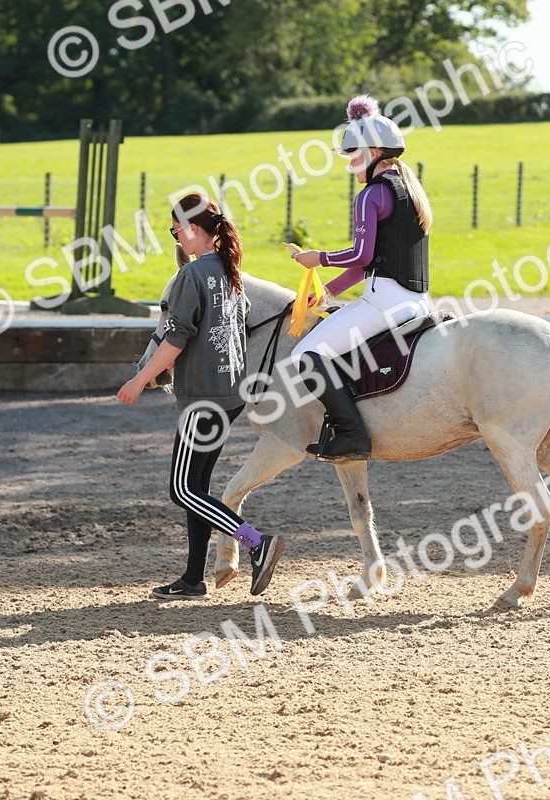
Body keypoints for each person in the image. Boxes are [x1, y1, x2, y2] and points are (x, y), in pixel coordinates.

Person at [117, 193, 285, 600]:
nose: (174, 236)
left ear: (193, 229)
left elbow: (175, 339)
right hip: (230, 394)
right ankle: (193, 578)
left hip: (204, 398)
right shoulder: (231, 271)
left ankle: (256, 543)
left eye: (175, 229)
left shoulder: (189, 277)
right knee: (198, 486)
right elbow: (243, 327)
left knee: (182, 489)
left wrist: (139, 381)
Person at [289, 94, 435, 462]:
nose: (350, 165)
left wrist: (316, 259)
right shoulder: (410, 191)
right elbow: (373, 262)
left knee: (305, 353)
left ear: (372, 153)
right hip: (416, 301)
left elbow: (362, 256)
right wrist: (329, 292)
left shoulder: (370, 195)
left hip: (384, 303)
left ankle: (352, 434)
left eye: (353, 156)